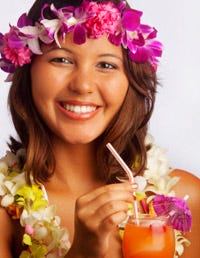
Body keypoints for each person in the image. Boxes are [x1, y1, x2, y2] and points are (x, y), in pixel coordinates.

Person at [0, 0, 199, 257]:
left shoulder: (183, 202)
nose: (83, 85)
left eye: (106, 65)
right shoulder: (6, 212)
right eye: (61, 59)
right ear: (28, 71)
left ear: (131, 81)